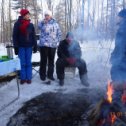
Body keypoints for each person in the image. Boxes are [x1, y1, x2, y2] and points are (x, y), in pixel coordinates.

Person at [13, 9, 37, 84]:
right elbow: (15, 36)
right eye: (27, 14)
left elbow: (33, 36)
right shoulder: (17, 24)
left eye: (29, 14)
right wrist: (16, 47)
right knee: (22, 63)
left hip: (29, 46)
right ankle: (23, 78)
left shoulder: (31, 24)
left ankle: (29, 77)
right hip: (21, 46)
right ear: (23, 15)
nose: (28, 16)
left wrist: (35, 45)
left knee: (28, 63)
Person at [38, 10, 62, 82]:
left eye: (48, 15)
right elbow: (38, 26)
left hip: (53, 45)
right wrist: (42, 22)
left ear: (51, 16)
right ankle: (42, 75)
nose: (46, 17)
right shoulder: (42, 23)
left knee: (51, 61)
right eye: (45, 15)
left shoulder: (56, 24)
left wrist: (57, 41)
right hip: (44, 45)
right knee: (43, 61)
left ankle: (50, 75)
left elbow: (59, 33)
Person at [110, 9, 126, 107]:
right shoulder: (122, 27)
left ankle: (117, 103)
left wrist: (117, 57)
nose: (118, 18)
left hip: (122, 59)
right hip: (120, 57)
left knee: (117, 76)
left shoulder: (124, 28)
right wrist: (114, 54)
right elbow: (118, 45)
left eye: (119, 17)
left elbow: (122, 46)